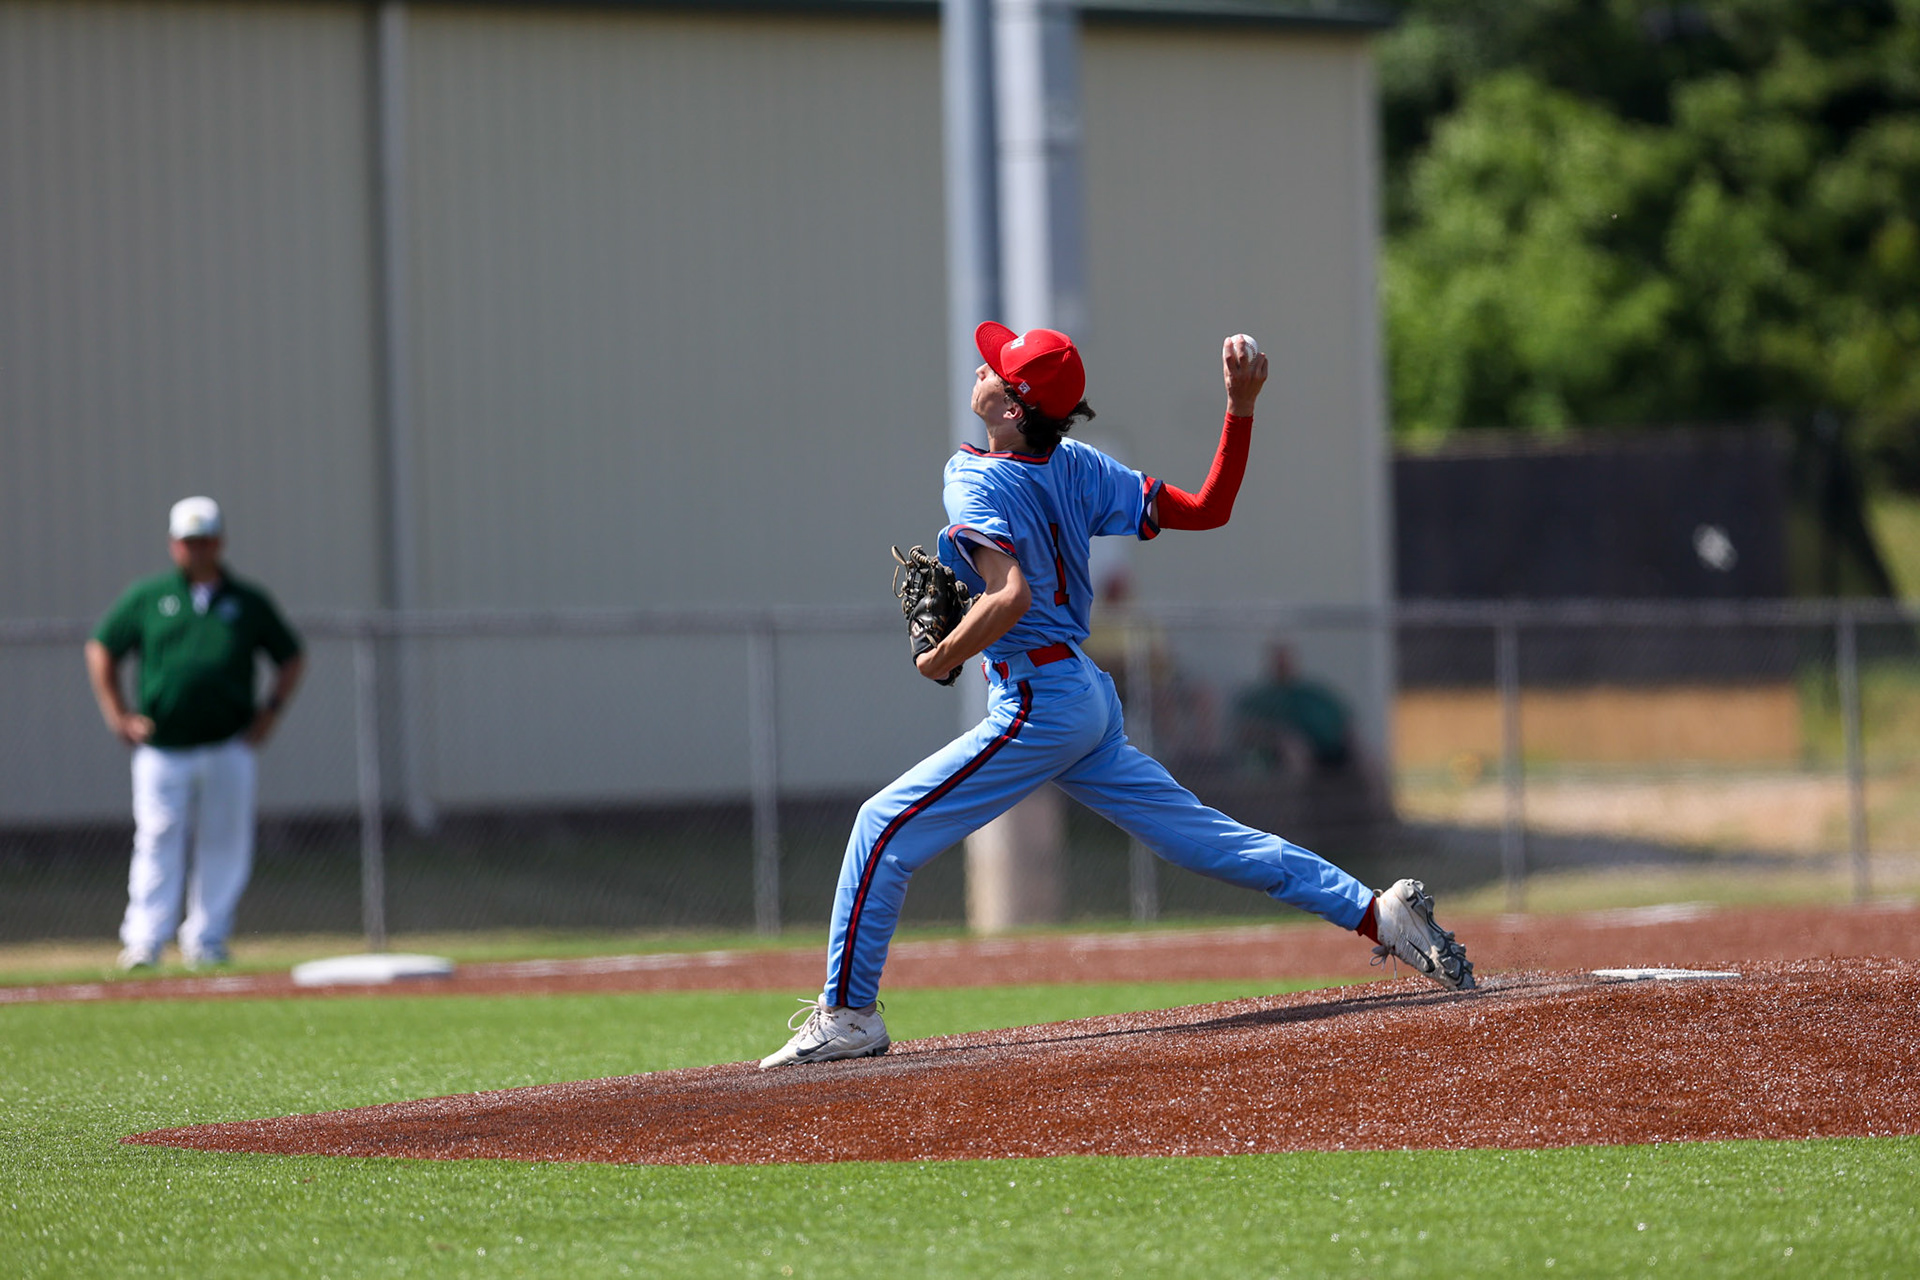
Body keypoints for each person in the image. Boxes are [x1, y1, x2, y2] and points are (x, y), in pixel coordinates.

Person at [760, 326, 1473, 1069]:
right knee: (1203, 839)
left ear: (1010, 408)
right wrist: (1240, 409)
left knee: (881, 829)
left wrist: (942, 654)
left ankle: (848, 1016)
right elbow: (1207, 506)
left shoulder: (973, 478)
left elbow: (1009, 595)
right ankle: (1378, 914)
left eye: (997, 370)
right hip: (1083, 698)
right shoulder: (1079, 466)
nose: (982, 367)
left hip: (1040, 700)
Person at [85, 497, 305, 970]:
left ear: (219, 543)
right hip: (164, 748)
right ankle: (145, 940)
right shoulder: (150, 597)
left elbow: (290, 654)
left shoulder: (245, 601)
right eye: (188, 542)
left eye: (204, 541)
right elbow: (103, 646)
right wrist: (118, 712)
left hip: (228, 743)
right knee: (158, 837)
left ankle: (207, 938)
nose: (197, 551)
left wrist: (270, 711)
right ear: (173, 545)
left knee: (224, 841)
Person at [1237, 643, 1355, 777]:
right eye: (1279, 662)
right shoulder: (1260, 698)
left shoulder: (1312, 693)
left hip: (1329, 749)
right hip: (1283, 751)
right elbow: (1247, 728)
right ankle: (1302, 796)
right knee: (1293, 752)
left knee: (1369, 759)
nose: (1284, 666)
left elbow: (1343, 717)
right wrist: (1280, 735)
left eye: (1287, 661)